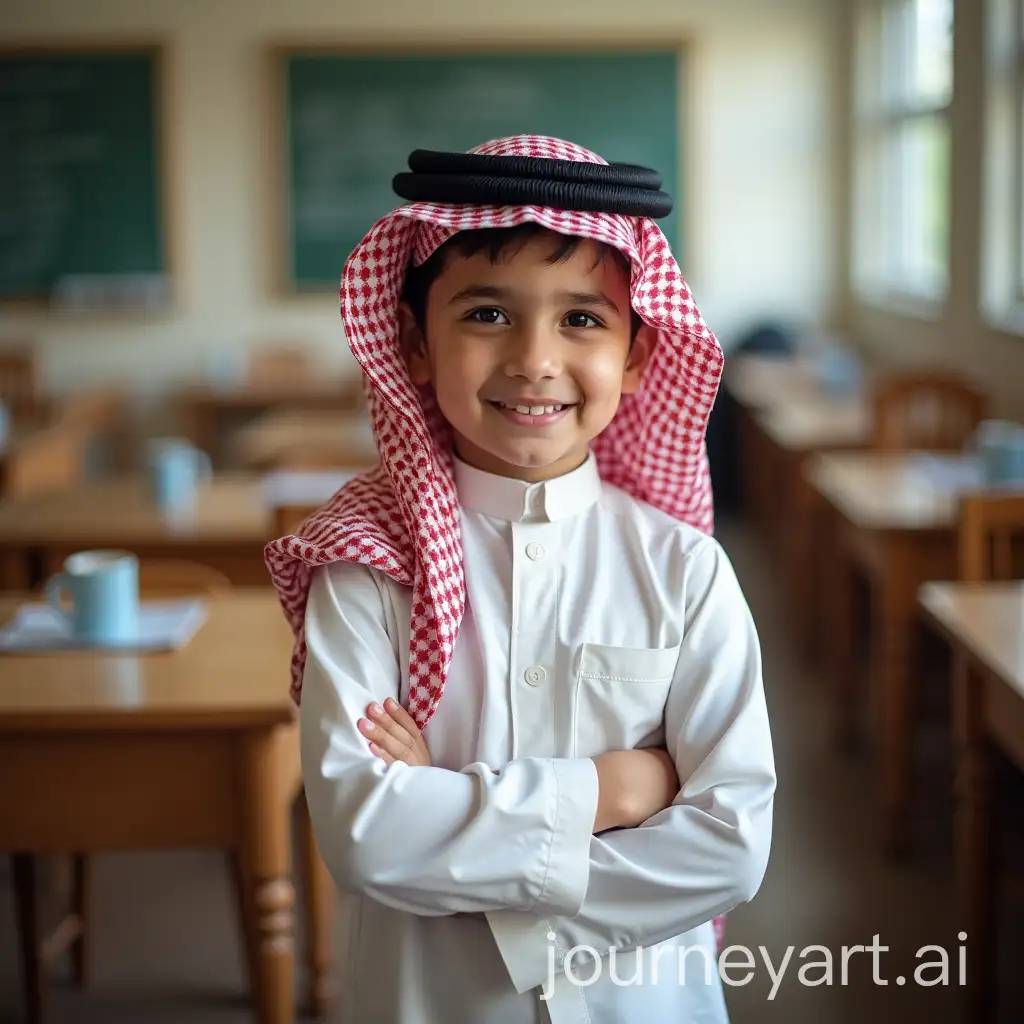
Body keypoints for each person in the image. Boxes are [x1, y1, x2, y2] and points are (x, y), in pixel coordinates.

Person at [265, 135, 776, 1024]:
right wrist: (616, 793)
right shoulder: (365, 570)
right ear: (414, 345)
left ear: (640, 354)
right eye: (487, 315)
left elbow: (731, 849)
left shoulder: (686, 570)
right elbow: (363, 838)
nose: (536, 358)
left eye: (583, 318)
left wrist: (448, 815)